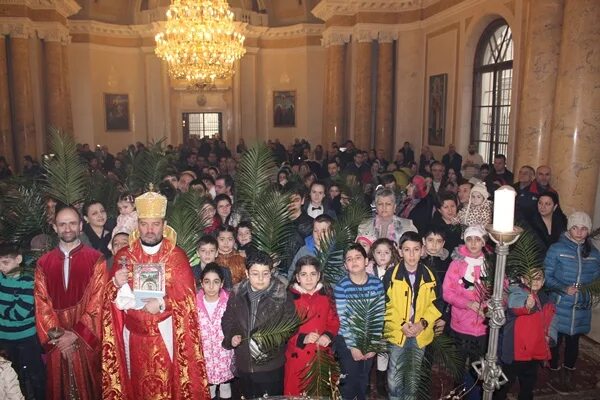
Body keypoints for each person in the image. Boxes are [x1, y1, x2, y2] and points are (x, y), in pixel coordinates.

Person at [102, 190, 210, 399]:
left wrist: (162, 303)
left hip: (166, 335)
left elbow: (188, 299)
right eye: (144, 224)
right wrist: (115, 282)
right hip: (133, 337)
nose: (149, 230)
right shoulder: (125, 256)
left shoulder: (176, 256)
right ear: (137, 224)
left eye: (155, 224)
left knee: (168, 388)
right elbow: (107, 298)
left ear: (164, 224)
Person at [34, 205, 107, 400]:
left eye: (72, 223)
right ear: (55, 227)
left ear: (81, 226)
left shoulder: (96, 260)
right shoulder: (43, 263)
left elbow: (98, 302)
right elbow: (41, 304)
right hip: (57, 340)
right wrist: (58, 337)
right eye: (62, 224)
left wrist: (75, 335)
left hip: (85, 339)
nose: (67, 228)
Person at [221, 251, 296, 398]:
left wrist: (270, 339)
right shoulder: (237, 294)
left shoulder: (281, 295)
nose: (260, 279)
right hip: (245, 363)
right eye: (255, 274)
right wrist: (233, 335)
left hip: (271, 365)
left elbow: (291, 324)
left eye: (265, 273)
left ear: (271, 272)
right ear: (247, 273)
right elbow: (228, 319)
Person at [544, 211, 600, 393]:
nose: (579, 232)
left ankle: (568, 371)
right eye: (575, 228)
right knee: (556, 339)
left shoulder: (593, 253)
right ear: (570, 229)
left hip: (580, 305)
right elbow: (547, 276)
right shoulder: (557, 249)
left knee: (574, 341)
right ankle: (552, 368)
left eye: (584, 229)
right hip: (561, 303)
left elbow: (596, 278)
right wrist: (563, 288)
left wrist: (590, 291)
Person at [383, 232, 441, 400]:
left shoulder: (430, 275)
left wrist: (422, 323)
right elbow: (386, 304)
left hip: (420, 332)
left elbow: (437, 304)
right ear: (400, 251)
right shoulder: (391, 275)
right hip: (397, 331)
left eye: (416, 249)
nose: (412, 254)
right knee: (395, 373)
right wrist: (401, 323)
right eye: (407, 250)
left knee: (414, 375)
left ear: (422, 250)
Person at [443, 225, 489, 399]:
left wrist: (488, 306)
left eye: (477, 239)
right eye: (469, 239)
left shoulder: (490, 264)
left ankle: (477, 393)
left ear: (483, 242)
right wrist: (467, 303)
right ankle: (458, 392)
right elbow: (447, 292)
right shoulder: (457, 264)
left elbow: (502, 289)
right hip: (461, 324)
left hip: (483, 326)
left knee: (479, 365)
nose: (473, 243)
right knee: (459, 365)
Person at [496, 268, 556, 400]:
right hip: (516, 352)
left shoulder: (546, 300)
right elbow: (516, 305)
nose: (534, 281)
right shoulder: (517, 293)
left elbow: (551, 320)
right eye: (530, 277)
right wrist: (527, 305)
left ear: (543, 281)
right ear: (523, 279)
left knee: (528, 384)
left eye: (538, 278)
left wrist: (550, 337)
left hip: (534, 351)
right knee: (504, 383)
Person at [334, 244, 385, 400]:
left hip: (369, 338)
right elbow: (343, 318)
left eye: (358, 257)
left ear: (366, 261)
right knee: (348, 382)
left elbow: (379, 315)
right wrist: (353, 346)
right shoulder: (341, 286)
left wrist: (374, 343)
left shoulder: (376, 284)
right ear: (345, 265)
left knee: (363, 381)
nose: (354, 261)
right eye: (349, 259)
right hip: (347, 341)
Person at [284, 256, 340, 395]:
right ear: (297, 277)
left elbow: (333, 320)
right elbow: (284, 329)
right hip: (298, 357)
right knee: (297, 393)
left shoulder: (326, 295)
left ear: (319, 276)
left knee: (321, 393)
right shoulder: (289, 298)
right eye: (304, 274)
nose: (308, 279)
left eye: (312, 274)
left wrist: (328, 335)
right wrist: (302, 337)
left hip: (321, 355)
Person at [0, 243, 45, 399]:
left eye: (5, 262)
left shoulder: (27, 281)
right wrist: (7, 308)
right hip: (4, 339)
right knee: (11, 378)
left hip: (26, 339)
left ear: (18, 259)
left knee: (34, 379)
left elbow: (19, 313)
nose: (2, 267)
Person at [365, 238, 399, 396]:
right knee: (369, 348)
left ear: (392, 253)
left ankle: (380, 380)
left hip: (389, 317)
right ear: (373, 254)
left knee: (383, 350)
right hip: (371, 317)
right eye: (379, 252)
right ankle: (365, 379)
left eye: (386, 252)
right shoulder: (368, 271)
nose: (383, 256)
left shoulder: (397, 271)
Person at [196, 264, 234, 400]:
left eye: (216, 282)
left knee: (225, 387)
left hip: (225, 356)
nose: (211, 287)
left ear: (222, 283)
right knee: (208, 389)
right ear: (201, 283)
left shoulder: (230, 301)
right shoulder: (194, 304)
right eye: (207, 282)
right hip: (204, 357)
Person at [287, 214, 333, 280]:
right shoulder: (303, 251)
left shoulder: (338, 252)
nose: (319, 235)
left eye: (323, 231)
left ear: (332, 233)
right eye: (315, 231)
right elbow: (292, 273)